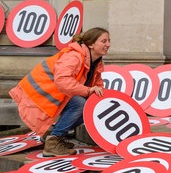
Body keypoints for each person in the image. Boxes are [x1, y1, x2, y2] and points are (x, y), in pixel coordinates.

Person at [8, 27, 110, 157]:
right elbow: (62, 80)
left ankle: (53, 136)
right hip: (41, 91)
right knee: (80, 104)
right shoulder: (74, 56)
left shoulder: (95, 62)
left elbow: (97, 86)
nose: (108, 44)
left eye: (108, 41)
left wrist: (104, 99)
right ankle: (54, 141)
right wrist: (88, 90)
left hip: (55, 92)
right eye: (104, 41)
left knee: (91, 107)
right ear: (91, 44)